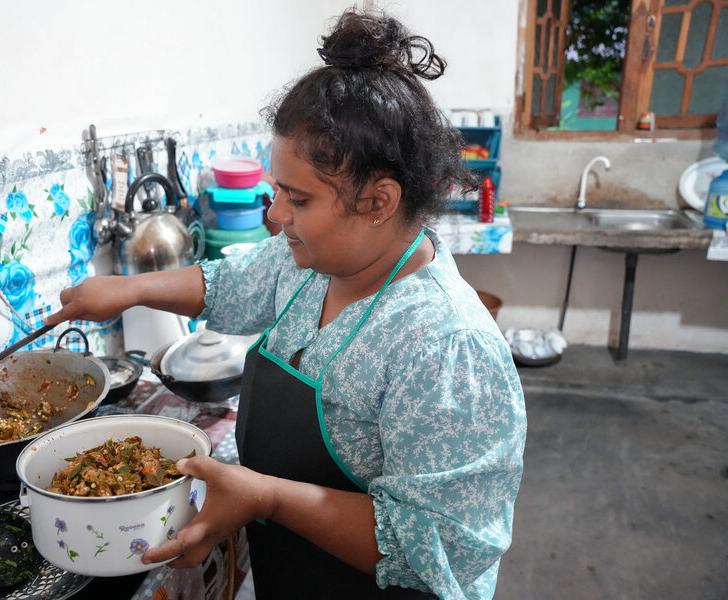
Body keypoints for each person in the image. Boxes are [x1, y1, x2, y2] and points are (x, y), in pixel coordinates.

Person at [46, 8, 526, 600]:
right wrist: (129, 288)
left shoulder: (447, 347)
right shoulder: (312, 263)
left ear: (378, 201)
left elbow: (439, 546)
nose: (275, 216)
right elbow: (226, 285)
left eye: (297, 199)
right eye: (277, 192)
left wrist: (266, 496)